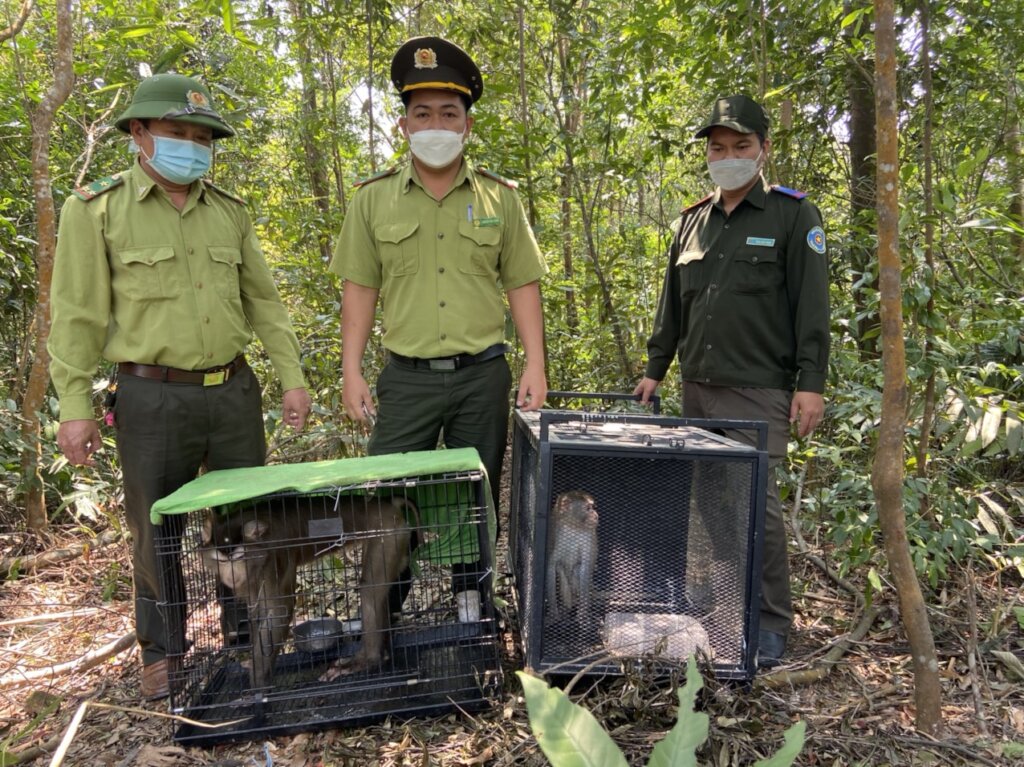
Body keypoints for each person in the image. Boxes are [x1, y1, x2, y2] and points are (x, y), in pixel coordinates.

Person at [48, 73, 313, 700]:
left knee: (250, 523)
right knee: (155, 527)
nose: (190, 146)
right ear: (138, 133)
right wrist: (76, 408)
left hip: (232, 391)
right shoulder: (96, 209)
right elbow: (77, 315)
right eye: (176, 133)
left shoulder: (229, 212)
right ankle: (163, 651)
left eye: (202, 137)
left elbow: (265, 304)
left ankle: (249, 638)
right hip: (150, 395)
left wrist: (292, 378)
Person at [330, 36, 548, 620]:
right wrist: (351, 371)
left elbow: (522, 285)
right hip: (407, 379)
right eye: (422, 113)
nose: (436, 124)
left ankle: (471, 607)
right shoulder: (373, 201)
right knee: (387, 499)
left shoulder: (500, 199)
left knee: (476, 495)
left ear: (467, 125)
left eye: (448, 113)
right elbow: (360, 292)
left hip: (483, 374)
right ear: (403, 126)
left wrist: (536, 364)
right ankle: (383, 613)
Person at [633, 95, 830, 668]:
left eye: (741, 146)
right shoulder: (691, 220)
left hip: (759, 389)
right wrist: (655, 368)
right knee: (714, 506)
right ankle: (725, 601)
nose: (729, 157)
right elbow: (673, 305)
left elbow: (811, 308)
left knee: (758, 508)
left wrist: (810, 382)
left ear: (764, 149)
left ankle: (769, 622)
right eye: (718, 148)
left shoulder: (794, 216)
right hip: (699, 386)